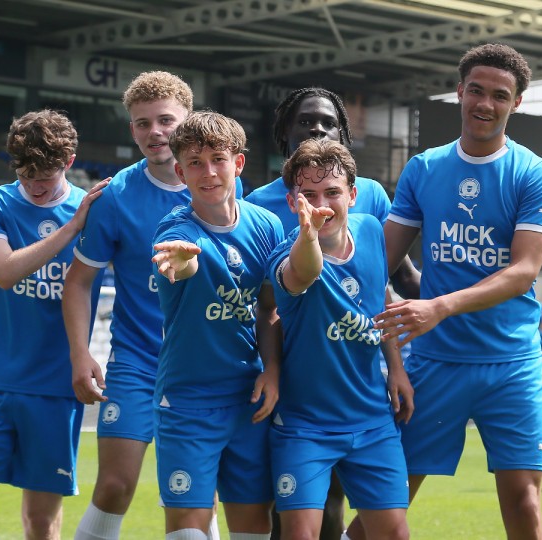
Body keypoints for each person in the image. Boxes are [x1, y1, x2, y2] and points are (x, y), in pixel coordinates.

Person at [346, 43, 542, 540]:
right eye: (477, 91)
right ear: (460, 91)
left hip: (511, 363)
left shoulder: (534, 175)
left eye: (500, 95)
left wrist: (439, 306)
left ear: (517, 103)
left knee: (524, 502)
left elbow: (523, 271)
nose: (485, 103)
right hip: (435, 362)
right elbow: (379, 261)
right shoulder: (424, 169)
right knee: (387, 502)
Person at [247, 86, 420, 540]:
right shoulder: (289, 252)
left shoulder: (370, 229)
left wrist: (396, 368)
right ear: (292, 200)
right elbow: (296, 277)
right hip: (305, 420)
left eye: (332, 193)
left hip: (370, 416)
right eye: (309, 195)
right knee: (300, 532)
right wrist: (307, 234)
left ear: (354, 194)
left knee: (393, 533)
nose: (322, 205)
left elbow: (379, 294)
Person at [63, 71, 228, 540]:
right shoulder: (115, 196)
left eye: (165, 120)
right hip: (137, 363)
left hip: (204, 364)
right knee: (115, 485)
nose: (155, 132)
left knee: (199, 494)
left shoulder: (222, 184)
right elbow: (78, 282)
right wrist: (80, 353)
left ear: (188, 120)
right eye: (141, 123)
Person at [0, 109, 108, 540]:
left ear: (69, 161)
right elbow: (5, 271)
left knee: (40, 523)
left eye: (46, 175)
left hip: (55, 389)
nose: (35, 185)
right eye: (26, 172)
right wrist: (72, 227)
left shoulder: (99, 212)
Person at [151, 111, 283, 540]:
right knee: (188, 533)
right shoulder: (174, 232)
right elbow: (179, 264)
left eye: (217, 159)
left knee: (252, 530)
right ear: (179, 171)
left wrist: (273, 371)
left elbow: (268, 310)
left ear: (238, 164)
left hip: (249, 400)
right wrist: (183, 261)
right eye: (194, 162)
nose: (207, 172)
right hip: (188, 403)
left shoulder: (266, 225)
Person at [247, 87, 420, 301]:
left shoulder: (372, 194)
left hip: (363, 330)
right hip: (297, 330)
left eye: (329, 124)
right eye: (304, 122)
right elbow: (258, 298)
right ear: (284, 131)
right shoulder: (257, 204)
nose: (317, 130)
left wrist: (450, 306)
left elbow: (401, 277)